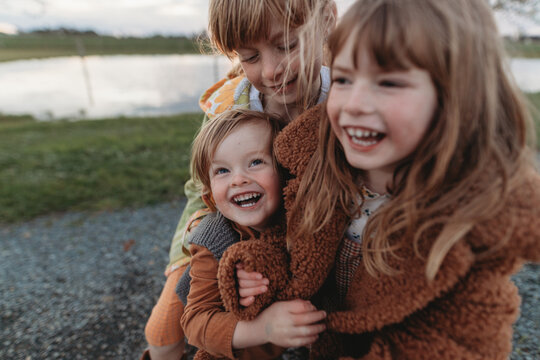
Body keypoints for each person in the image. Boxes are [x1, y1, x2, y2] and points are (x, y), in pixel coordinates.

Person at [216, 0, 540, 358]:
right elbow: (294, 239)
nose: (354, 104)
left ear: (457, 96)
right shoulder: (321, 157)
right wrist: (259, 271)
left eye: (387, 82)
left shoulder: (479, 205)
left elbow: (463, 340)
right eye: (343, 78)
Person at [144, 0, 336, 359]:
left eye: (287, 46)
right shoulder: (231, 108)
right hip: (229, 241)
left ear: (326, 20)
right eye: (249, 57)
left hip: (312, 246)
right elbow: (197, 189)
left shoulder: (344, 99)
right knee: (162, 331)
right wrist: (195, 249)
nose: (272, 70)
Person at [175, 108, 326, 360]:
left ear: (283, 171)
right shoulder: (213, 238)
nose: (238, 179)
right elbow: (194, 323)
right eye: (222, 171)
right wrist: (262, 328)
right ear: (209, 191)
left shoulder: (304, 218)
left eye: (256, 162)